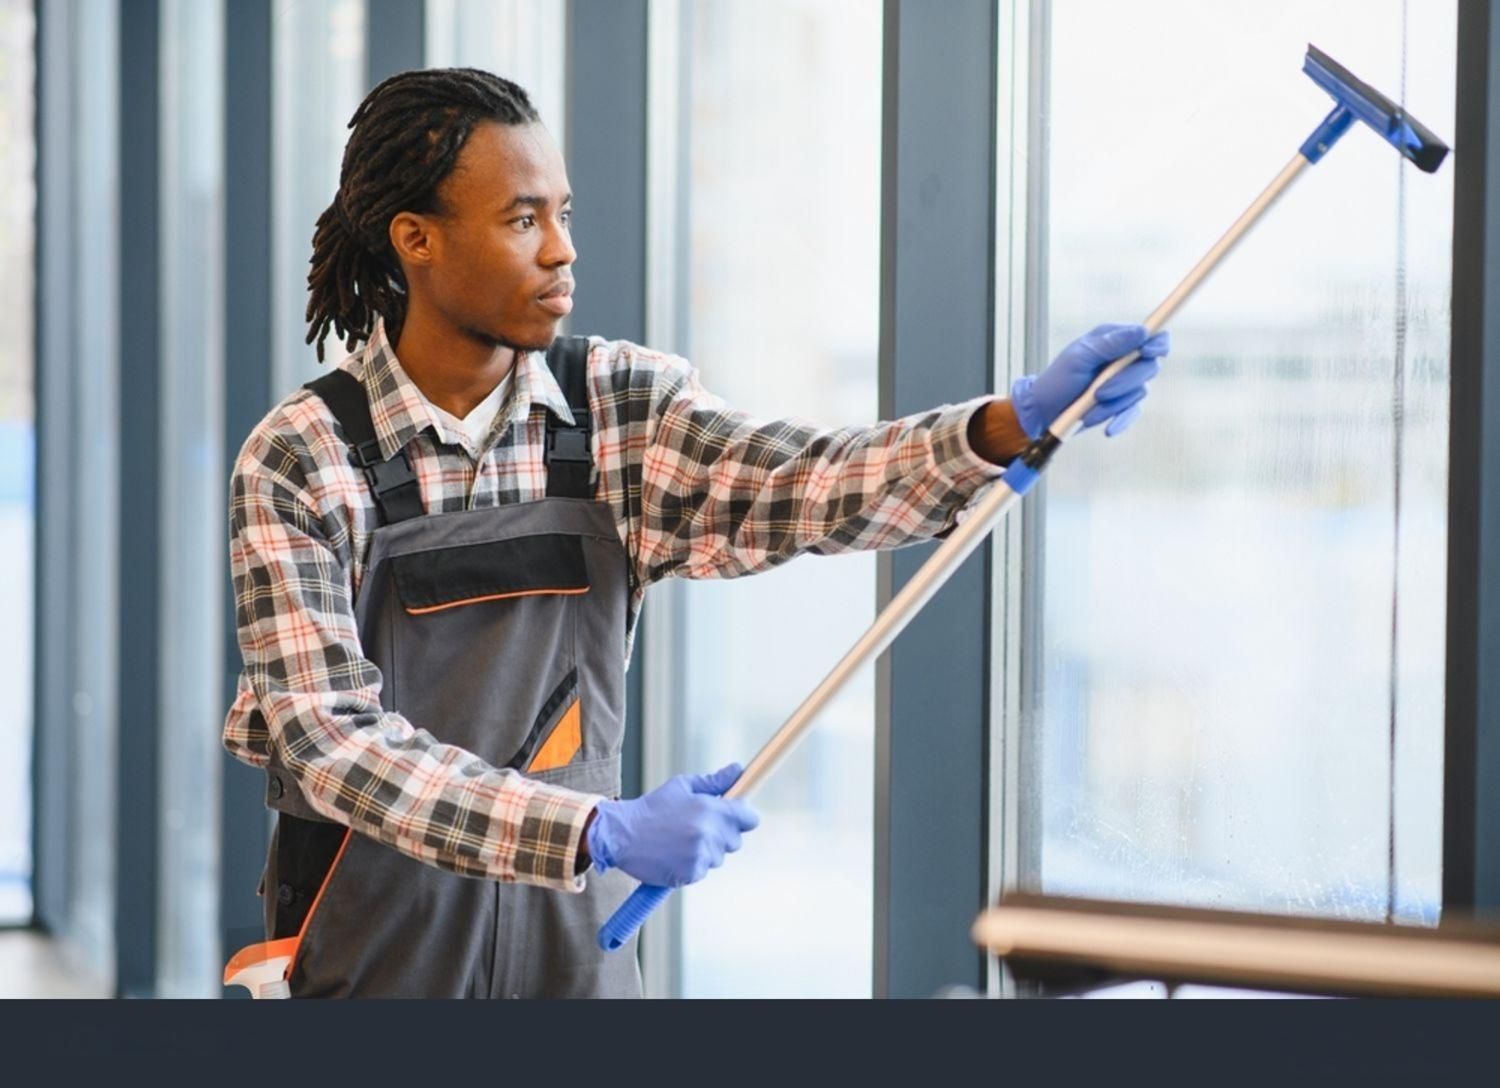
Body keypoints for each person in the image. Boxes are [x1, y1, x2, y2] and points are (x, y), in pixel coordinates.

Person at [222, 67, 1168, 998]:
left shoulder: (615, 411)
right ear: (415, 239)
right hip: (372, 960)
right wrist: (593, 832)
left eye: (564, 213)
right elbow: (328, 741)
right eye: (522, 219)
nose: (561, 251)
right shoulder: (304, 457)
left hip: (571, 960)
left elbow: (805, 483)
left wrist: (1005, 424)